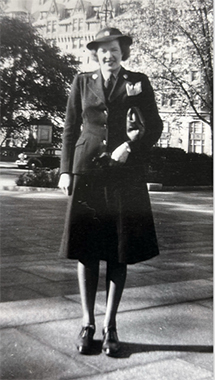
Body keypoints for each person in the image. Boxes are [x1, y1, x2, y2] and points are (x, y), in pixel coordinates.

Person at [58, 27, 163, 356]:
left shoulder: (139, 81)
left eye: (114, 49)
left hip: (124, 174)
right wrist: (64, 170)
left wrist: (130, 146)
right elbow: (70, 126)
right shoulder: (81, 82)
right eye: (103, 50)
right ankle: (87, 323)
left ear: (123, 52)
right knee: (86, 249)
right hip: (87, 172)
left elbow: (155, 125)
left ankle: (110, 326)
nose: (109, 55)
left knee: (120, 249)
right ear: (95, 53)